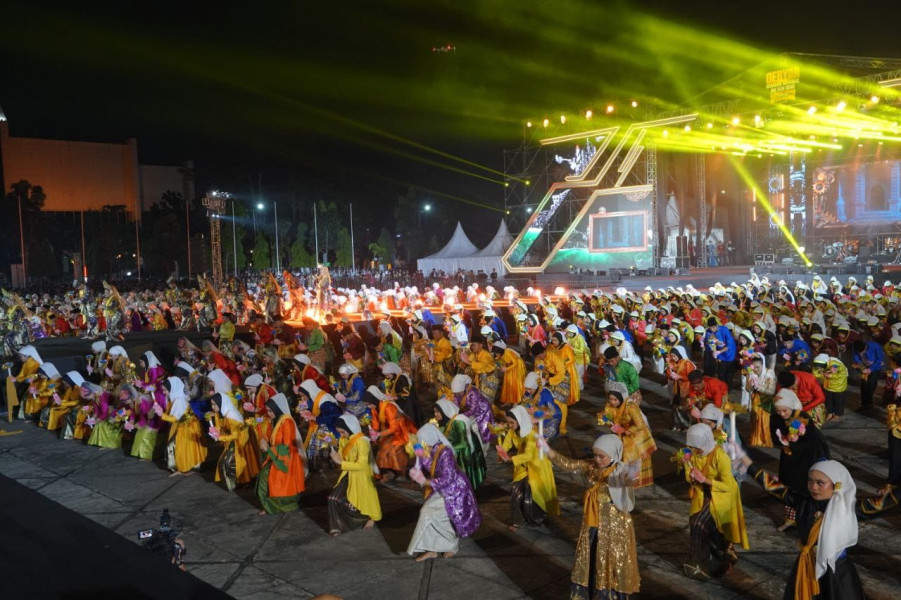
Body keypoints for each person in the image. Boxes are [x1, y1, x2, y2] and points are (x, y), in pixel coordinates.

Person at [743, 457, 865, 599]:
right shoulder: (804, 503)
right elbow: (774, 488)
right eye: (810, 481)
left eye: (820, 483)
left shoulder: (847, 508)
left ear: (836, 485)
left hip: (837, 571)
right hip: (806, 566)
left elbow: (882, 504)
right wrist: (748, 464)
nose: (814, 487)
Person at [539, 434, 640, 599]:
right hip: (593, 521)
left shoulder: (619, 470)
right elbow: (570, 464)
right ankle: (592, 591)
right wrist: (548, 450)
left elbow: (629, 481)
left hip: (613, 526)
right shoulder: (591, 467)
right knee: (591, 555)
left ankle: (608, 594)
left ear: (613, 454)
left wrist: (632, 477)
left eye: (602, 456)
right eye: (595, 455)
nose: (597, 459)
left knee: (609, 558)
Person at [679, 424, 749, 580]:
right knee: (696, 522)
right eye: (691, 447)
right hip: (702, 495)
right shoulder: (691, 453)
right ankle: (717, 556)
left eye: (697, 448)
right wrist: (690, 476)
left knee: (699, 523)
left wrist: (705, 480)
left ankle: (699, 564)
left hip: (721, 496)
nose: (694, 450)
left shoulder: (720, 457)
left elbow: (729, 486)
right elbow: (688, 475)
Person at [407, 424, 482, 561]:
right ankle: (432, 549)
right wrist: (418, 464)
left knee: (433, 514)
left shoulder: (445, 452)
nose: (419, 445)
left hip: (455, 491)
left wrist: (425, 481)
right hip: (442, 489)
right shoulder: (427, 448)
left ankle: (451, 545)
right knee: (427, 513)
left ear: (428, 440)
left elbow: (448, 478)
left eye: (421, 442)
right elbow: (424, 464)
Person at [771, 388, 831, 531]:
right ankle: (790, 519)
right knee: (788, 484)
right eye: (779, 411)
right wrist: (782, 441)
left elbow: (810, 443)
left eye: (785, 411)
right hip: (790, 456)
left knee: (806, 487)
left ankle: (810, 519)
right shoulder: (776, 418)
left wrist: (792, 442)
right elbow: (774, 435)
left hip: (808, 457)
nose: (782, 414)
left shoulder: (802, 418)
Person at [498, 405, 559, 530]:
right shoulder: (513, 431)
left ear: (519, 421)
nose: (509, 425)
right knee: (516, 493)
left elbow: (529, 455)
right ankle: (518, 522)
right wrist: (502, 451)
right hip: (522, 466)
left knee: (534, 493)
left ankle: (536, 518)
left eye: (511, 422)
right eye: (508, 422)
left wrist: (511, 459)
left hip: (536, 466)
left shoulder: (531, 434)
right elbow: (507, 442)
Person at [328, 414, 381, 535]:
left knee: (362, 501)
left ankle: (367, 517)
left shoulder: (362, 442)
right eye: (339, 433)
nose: (341, 435)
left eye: (342, 432)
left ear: (349, 428)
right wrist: (334, 452)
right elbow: (341, 458)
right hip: (348, 474)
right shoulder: (342, 440)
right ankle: (336, 528)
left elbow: (361, 465)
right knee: (333, 498)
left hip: (361, 476)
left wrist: (340, 462)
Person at [256, 393, 306, 515]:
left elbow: (287, 446)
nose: (269, 414)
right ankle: (267, 505)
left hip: (286, 458)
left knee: (270, 481)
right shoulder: (275, 420)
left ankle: (275, 506)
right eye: (267, 411)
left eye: (270, 411)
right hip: (276, 455)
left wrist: (269, 448)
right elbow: (272, 437)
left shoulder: (287, 422)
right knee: (263, 479)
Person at [597, 390, 656, 488]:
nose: (612, 402)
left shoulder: (630, 407)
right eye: (610, 399)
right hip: (620, 436)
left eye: (615, 399)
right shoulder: (610, 406)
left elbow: (640, 425)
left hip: (634, 436)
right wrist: (606, 421)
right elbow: (604, 416)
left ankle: (633, 481)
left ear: (620, 398)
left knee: (632, 459)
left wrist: (625, 429)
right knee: (621, 457)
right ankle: (624, 479)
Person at [209, 392, 261, 491]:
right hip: (231, 439)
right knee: (229, 460)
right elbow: (218, 427)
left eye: (215, 404)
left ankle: (242, 480)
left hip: (241, 439)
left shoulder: (230, 416)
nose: (213, 407)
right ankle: (239, 481)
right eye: (212, 404)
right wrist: (214, 432)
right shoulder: (219, 413)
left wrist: (220, 437)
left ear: (221, 403)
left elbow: (235, 435)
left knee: (232, 461)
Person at [158, 376, 207, 476]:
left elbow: (174, 418)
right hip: (184, 425)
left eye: (165, 390)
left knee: (184, 447)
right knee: (177, 446)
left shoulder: (179, 400)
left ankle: (188, 467)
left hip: (187, 427)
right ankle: (181, 467)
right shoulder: (176, 398)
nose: (164, 392)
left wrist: (161, 415)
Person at [434, 398, 486, 489]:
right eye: (434, 412)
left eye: (437, 412)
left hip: (464, 452)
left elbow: (462, 443)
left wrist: (445, 449)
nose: (435, 415)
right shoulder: (443, 422)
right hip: (454, 450)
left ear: (444, 411)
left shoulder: (458, 422)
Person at [371, 384, 417, 481]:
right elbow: (375, 423)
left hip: (401, 431)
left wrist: (379, 434)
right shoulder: (374, 408)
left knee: (392, 448)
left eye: (368, 403)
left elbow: (394, 428)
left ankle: (399, 472)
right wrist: (374, 433)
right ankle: (386, 472)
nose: (367, 405)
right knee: (381, 447)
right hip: (388, 431)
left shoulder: (388, 407)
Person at [450, 374, 495, 446]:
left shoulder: (473, 393)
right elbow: (456, 405)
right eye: (455, 393)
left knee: (482, 431)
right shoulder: (457, 393)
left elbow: (472, 410)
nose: (457, 395)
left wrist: (459, 416)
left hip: (482, 411)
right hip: (471, 413)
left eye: (458, 393)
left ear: (464, 389)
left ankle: (484, 450)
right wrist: (454, 415)